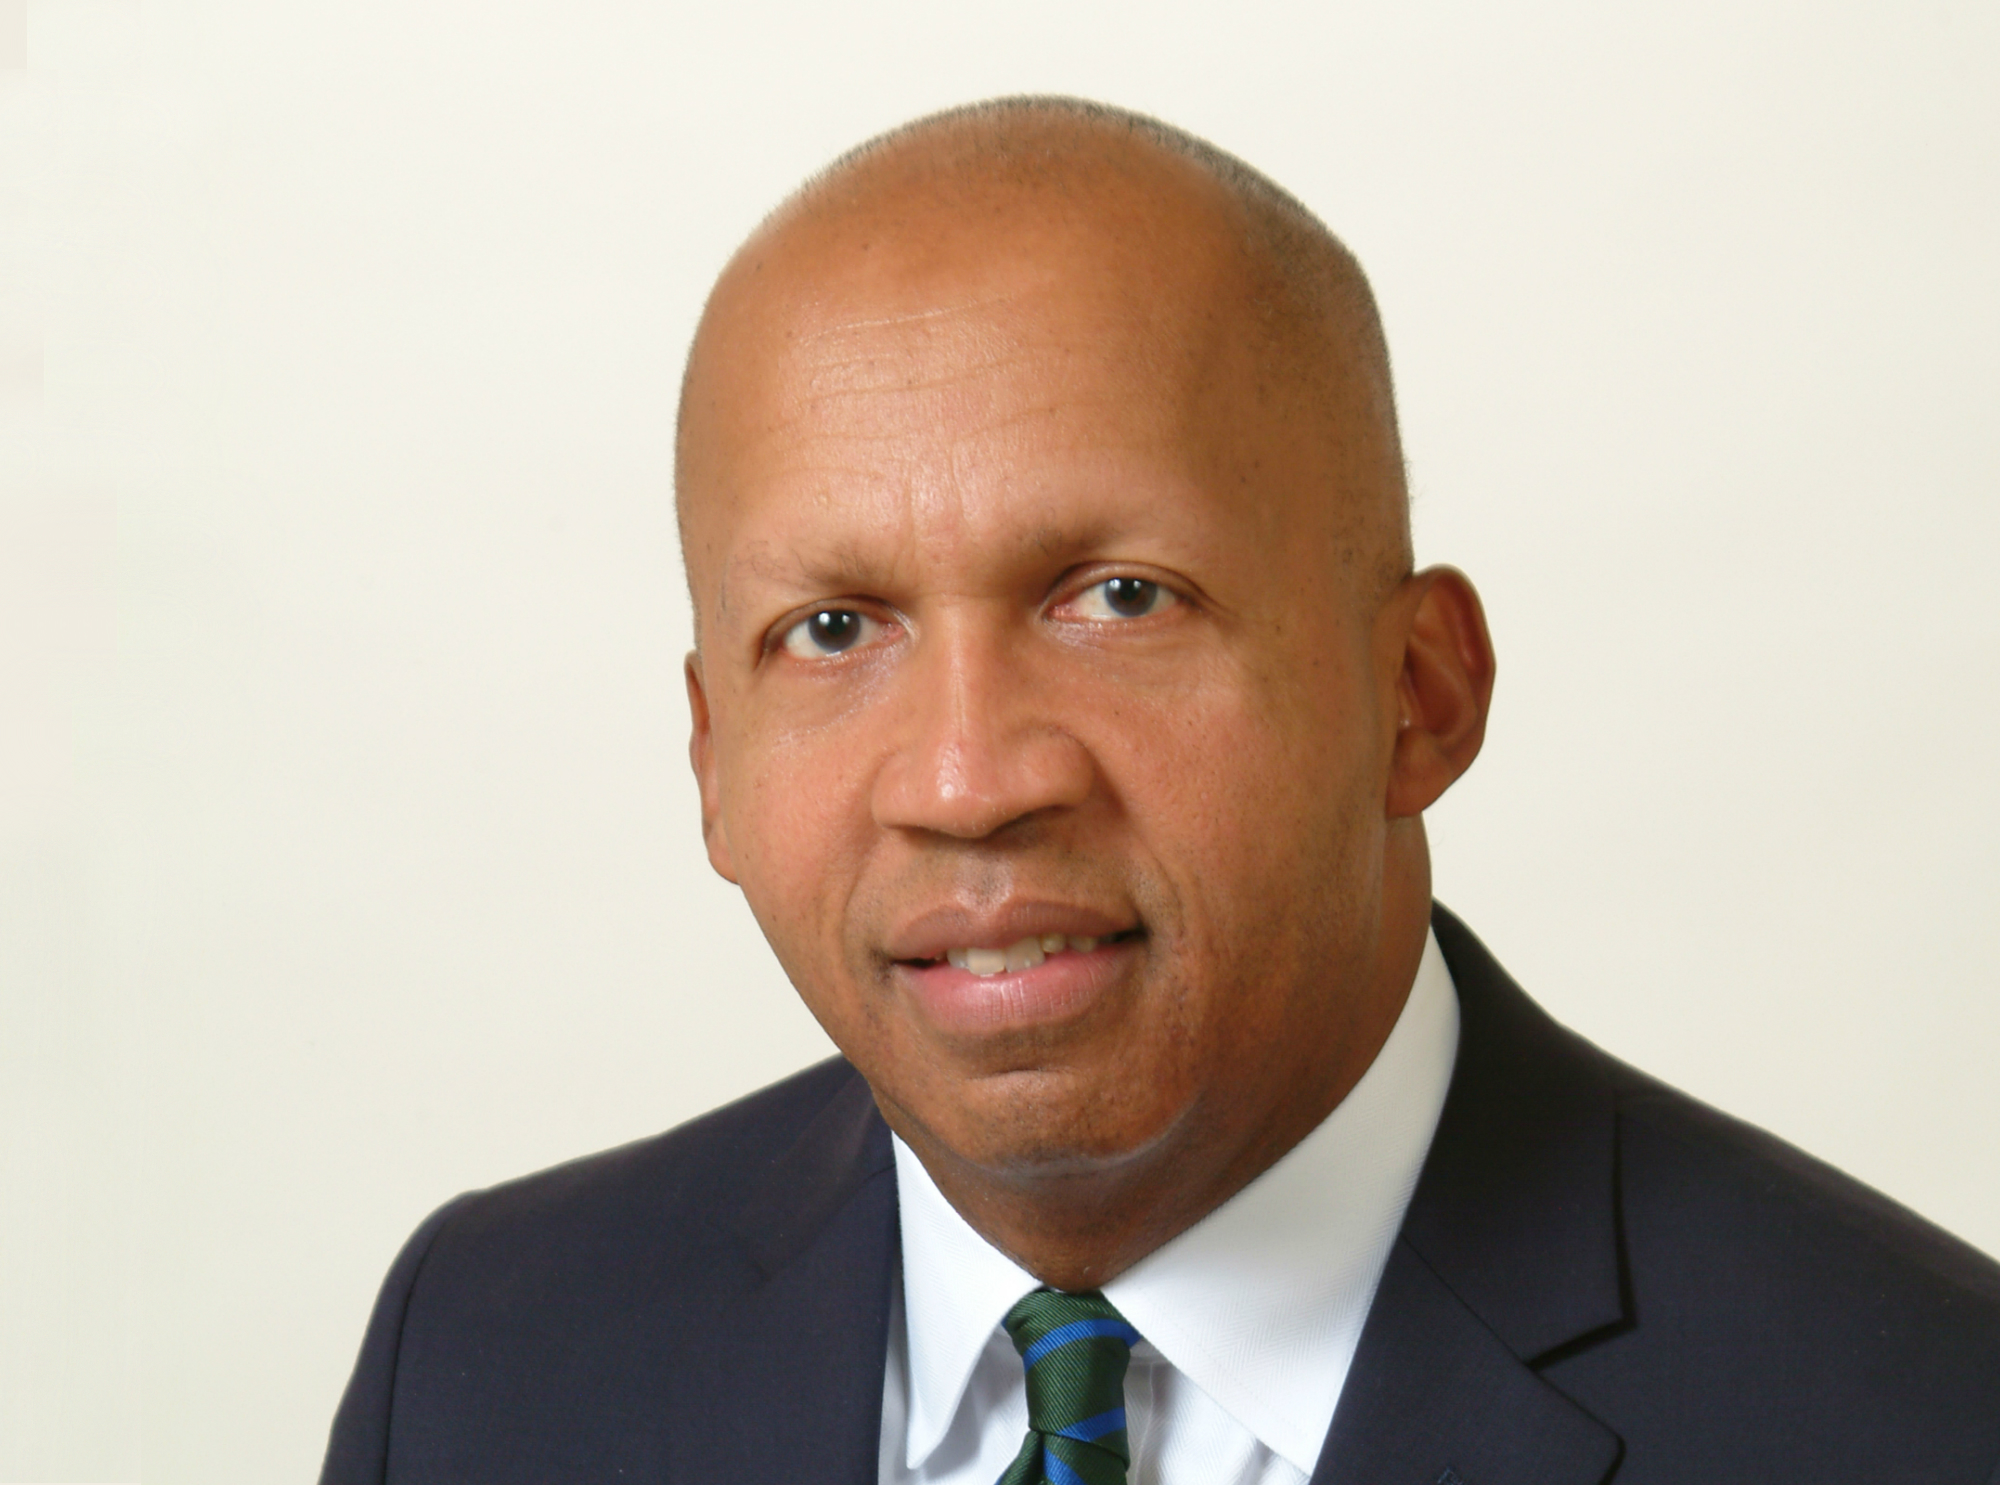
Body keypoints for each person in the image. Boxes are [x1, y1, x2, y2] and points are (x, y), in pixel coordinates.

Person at [319, 97, 2000, 1485]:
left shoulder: (1921, 1417)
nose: (969, 781)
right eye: (831, 630)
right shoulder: (484, 1365)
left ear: (1419, 693)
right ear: (711, 762)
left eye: (1119, 596)